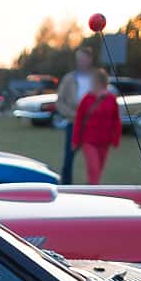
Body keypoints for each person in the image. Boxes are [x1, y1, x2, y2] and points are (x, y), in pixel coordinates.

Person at [71, 67, 121, 186]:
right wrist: (75, 140)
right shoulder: (87, 99)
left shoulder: (111, 99)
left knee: (98, 170)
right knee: (94, 169)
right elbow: (79, 120)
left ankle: (90, 188)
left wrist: (116, 139)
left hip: (105, 141)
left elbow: (116, 120)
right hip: (89, 140)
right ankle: (94, 191)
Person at [53, 47, 96, 184]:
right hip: (74, 124)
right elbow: (60, 102)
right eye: (79, 59)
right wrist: (74, 115)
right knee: (68, 159)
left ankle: (92, 189)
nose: (81, 62)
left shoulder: (96, 78)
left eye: (83, 59)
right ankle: (66, 188)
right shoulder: (69, 79)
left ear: (90, 60)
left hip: (92, 125)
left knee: (93, 160)